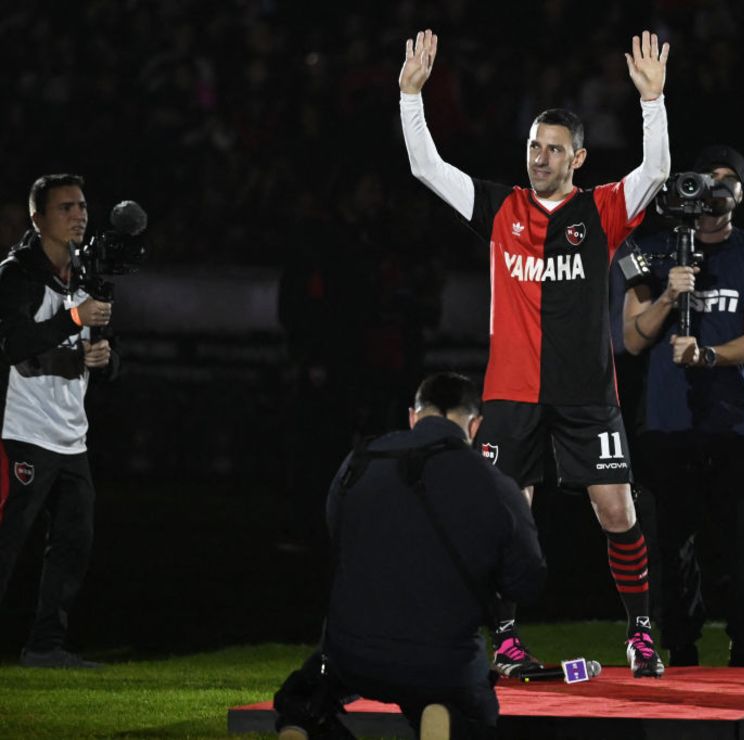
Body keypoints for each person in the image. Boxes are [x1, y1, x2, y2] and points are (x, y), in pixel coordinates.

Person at [399, 28, 671, 677]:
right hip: (512, 395)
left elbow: (656, 171)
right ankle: (509, 642)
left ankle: (639, 634)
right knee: (505, 519)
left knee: (618, 511)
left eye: (553, 149)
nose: (540, 157)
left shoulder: (601, 210)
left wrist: (652, 104)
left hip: (585, 393)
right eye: (533, 146)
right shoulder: (500, 208)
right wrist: (411, 97)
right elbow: (425, 169)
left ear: (578, 158)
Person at [275, 372, 546, 740]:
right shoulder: (497, 486)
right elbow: (527, 581)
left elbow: (335, 538)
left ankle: (302, 724)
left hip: (350, 654)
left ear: (413, 417)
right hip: (443, 662)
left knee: (304, 696)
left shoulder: (359, 462)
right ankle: (448, 722)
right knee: (473, 711)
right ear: (476, 425)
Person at [622, 145, 744, 668]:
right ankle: (681, 647)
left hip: (734, 422)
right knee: (668, 548)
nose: (712, 192)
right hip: (667, 424)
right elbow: (632, 338)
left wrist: (708, 355)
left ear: (740, 192)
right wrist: (669, 297)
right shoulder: (644, 250)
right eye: (703, 179)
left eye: (725, 181)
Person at [0, 173, 116, 668]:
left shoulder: (87, 276)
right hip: (21, 432)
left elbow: (106, 355)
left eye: (83, 205)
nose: (79, 215)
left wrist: (105, 358)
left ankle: (45, 646)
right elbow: (13, 344)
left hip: (72, 437)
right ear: (38, 218)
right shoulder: (14, 274)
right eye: (66, 207)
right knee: (7, 544)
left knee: (74, 542)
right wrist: (74, 319)